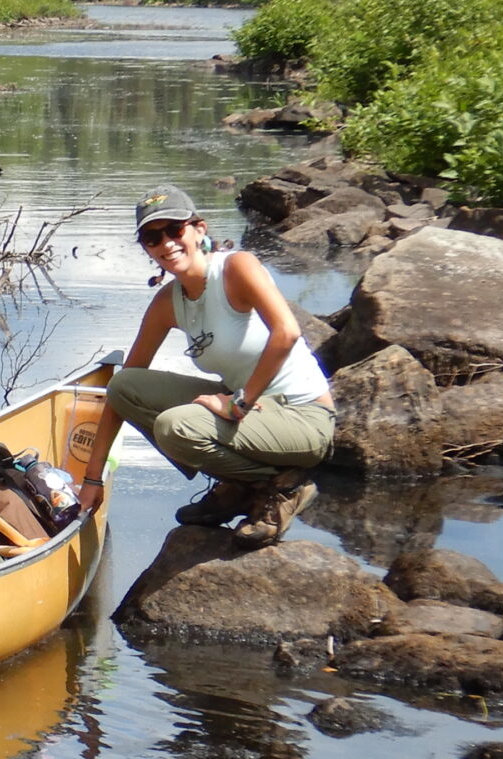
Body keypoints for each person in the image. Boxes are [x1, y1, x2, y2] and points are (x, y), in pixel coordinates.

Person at [73, 183, 335, 546]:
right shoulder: (168, 302)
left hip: (302, 417)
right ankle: (240, 485)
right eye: (152, 237)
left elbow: (287, 332)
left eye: (174, 230)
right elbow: (121, 391)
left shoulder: (236, 268)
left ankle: (282, 488)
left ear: (199, 230)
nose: (165, 243)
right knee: (125, 386)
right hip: (251, 411)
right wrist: (92, 477)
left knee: (174, 427)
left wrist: (238, 403)